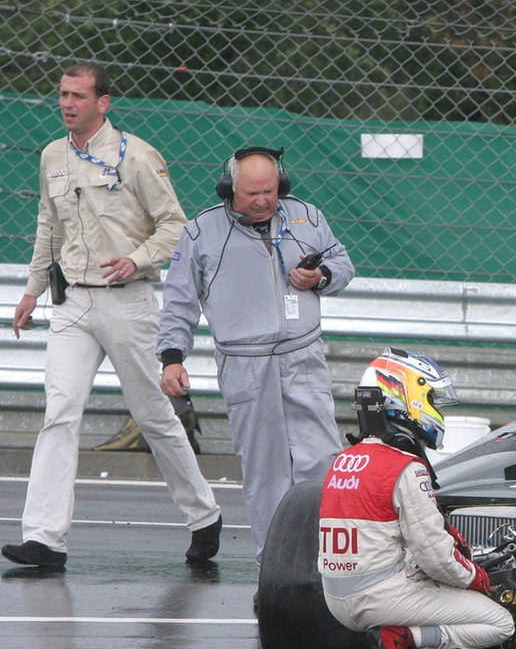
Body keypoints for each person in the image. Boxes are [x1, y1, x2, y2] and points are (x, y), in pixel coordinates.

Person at [4, 62, 222, 570]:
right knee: (59, 412)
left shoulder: (138, 156)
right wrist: (33, 290)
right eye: (62, 94)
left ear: (103, 102)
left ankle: (203, 514)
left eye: (78, 96)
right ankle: (44, 539)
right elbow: (47, 225)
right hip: (72, 301)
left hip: (128, 300)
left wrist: (137, 259)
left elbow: (175, 227)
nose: (67, 104)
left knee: (153, 415)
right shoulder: (52, 156)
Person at [156, 147, 354, 561]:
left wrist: (321, 276)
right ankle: (275, 566)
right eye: (251, 193)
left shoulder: (308, 216)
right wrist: (172, 357)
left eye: (270, 191)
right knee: (266, 473)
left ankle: (328, 565)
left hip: (304, 357)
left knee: (322, 463)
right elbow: (178, 301)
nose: (263, 200)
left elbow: (343, 264)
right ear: (229, 189)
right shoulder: (200, 233)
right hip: (244, 365)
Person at [317, 349, 514, 649]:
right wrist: (475, 577)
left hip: (334, 598)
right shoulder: (405, 468)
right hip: (378, 597)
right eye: (431, 398)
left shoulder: (343, 459)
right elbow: (435, 556)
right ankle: (402, 639)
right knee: (501, 623)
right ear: (406, 396)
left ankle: (388, 641)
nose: (435, 408)